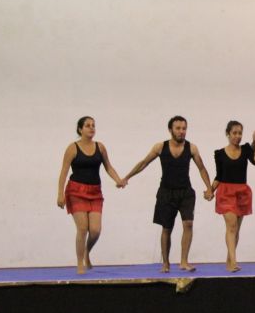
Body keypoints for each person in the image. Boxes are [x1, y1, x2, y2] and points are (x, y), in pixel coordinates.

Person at [122, 116, 213, 272]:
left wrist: (209, 188)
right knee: (166, 228)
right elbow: (144, 163)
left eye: (184, 128)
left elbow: (202, 168)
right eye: (178, 128)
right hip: (166, 192)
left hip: (186, 192)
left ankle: (184, 261)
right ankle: (166, 264)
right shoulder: (160, 147)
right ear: (170, 130)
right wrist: (127, 177)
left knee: (188, 224)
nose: (181, 131)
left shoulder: (192, 148)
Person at [56, 116, 125, 274]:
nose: (91, 128)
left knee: (95, 230)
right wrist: (60, 194)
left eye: (93, 125)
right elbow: (64, 172)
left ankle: (87, 251)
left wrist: (118, 180)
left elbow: (108, 167)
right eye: (87, 125)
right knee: (82, 228)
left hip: (95, 192)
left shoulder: (100, 147)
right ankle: (80, 262)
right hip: (76, 191)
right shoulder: (72, 148)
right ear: (80, 129)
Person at [204, 121, 255, 272]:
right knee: (231, 225)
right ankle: (234, 262)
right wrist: (210, 190)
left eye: (240, 133)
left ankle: (229, 261)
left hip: (242, 192)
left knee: (236, 229)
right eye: (234, 133)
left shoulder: (246, 149)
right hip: (225, 192)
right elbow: (219, 175)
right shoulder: (219, 153)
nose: (237, 136)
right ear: (228, 134)